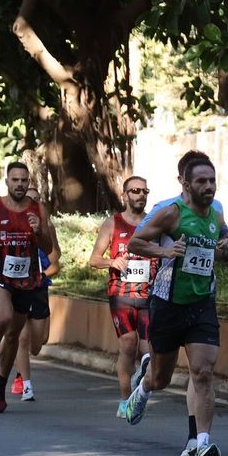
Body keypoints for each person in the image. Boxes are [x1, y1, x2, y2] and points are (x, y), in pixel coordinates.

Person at [121, 154, 228, 456]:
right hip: (167, 305)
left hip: (202, 303)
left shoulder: (216, 213)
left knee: (203, 372)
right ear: (186, 184)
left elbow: (219, 245)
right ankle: (144, 386)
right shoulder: (171, 213)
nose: (209, 187)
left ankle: (202, 445)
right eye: (202, 181)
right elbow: (135, 243)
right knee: (162, 379)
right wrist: (164, 251)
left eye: (212, 181)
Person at [0, 161, 55, 413]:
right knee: (4, 317)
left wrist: (39, 231)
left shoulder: (38, 209)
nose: (19, 184)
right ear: (7, 181)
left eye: (23, 180)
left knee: (14, 336)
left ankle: (0, 387)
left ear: (29, 183)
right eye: (15, 180)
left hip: (26, 278)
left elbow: (48, 248)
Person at [88, 175, 157, 418]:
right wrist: (112, 261)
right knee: (128, 344)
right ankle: (125, 399)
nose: (140, 195)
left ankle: (140, 391)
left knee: (149, 352)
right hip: (121, 294)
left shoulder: (155, 223)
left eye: (144, 191)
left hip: (150, 295)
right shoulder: (113, 223)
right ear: (125, 195)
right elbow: (94, 260)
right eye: (134, 191)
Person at [8, 185, 60, 402]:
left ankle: (22, 367)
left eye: (36, 201)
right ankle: (25, 383)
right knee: (22, 338)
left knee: (38, 344)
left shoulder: (48, 229)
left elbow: (56, 262)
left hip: (39, 287)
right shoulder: (12, 227)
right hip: (18, 287)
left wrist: (41, 274)